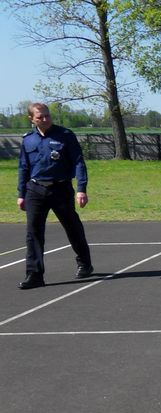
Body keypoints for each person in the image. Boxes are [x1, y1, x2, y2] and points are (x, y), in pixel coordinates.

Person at [16, 102, 94, 290]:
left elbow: (78, 163)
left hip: (60, 188)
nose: (45, 119)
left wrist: (81, 188)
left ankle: (84, 263)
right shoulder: (28, 140)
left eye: (47, 115)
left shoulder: (65, 136)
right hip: (35, 190)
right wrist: (21, 194)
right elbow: (23, 168)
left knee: (72, 227)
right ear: (31, 119)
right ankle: (34, 274)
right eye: (40, 117)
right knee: (33, 232)